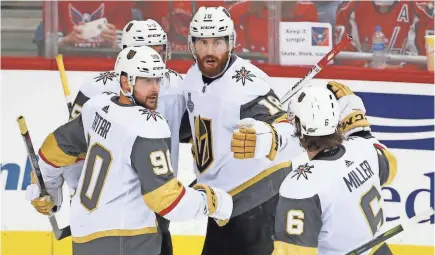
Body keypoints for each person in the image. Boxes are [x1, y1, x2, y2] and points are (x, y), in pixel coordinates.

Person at [25, 46, 233, 255]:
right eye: (146, 81)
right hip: (128, 240)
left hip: (83, 237)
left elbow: (52, 150)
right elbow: (166, 200)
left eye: (157, 80)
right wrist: (212, 202)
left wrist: (49, 188)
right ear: (125, 82)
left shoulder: (97, 107)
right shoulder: (148, 126)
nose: (155, 89)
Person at [182, 6, 304, 255]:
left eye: (218, 42)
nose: (210, 51)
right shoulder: (193, 78)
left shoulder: (247, 84)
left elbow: (294, 136)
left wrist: (270, 139)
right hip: (220, 204)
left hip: (257, 203)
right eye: (202, 43)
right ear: (191, 44)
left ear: (231, 42)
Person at [67, 19, 186, 255]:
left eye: (160, 51)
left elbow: (198, 134)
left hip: (152, 204)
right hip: (114, 207)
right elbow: (73, 149)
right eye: (149, 52)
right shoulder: (94, 92)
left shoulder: (178, 86)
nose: (156, 60)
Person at [272, 83, 397, 254]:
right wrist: (360, 129)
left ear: (300, 130)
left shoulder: (301, 185)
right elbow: (391, 168)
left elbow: (292, 251)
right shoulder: (363, 147)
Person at [335, 0, 434, 68]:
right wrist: (367, 66)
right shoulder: (349, 7)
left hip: (408, 80)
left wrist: (397, 69)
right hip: (363, 78)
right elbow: (343, 53)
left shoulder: (422, 8)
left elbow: (428, 60)